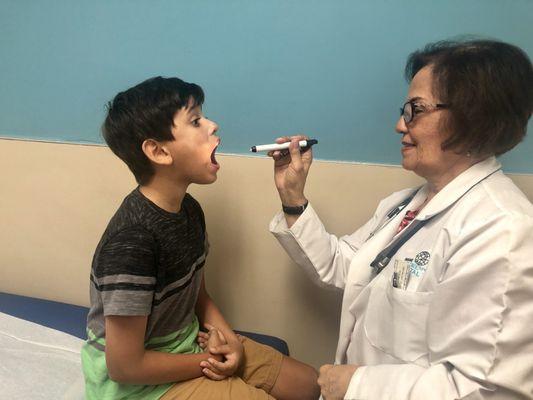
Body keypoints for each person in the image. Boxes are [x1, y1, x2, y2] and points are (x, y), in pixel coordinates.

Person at [268, 39, 533, 399]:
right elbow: (344, 268)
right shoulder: (406, 204)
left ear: (473, 117)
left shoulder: (502, 231)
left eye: (415, 110)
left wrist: (355, 384)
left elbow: (485, 390)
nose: (398, 125)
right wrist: (292, 196)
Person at [81, 76, 320, 400]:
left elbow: (199, 297)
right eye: (195, 121)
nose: (212, 125)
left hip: (187, 343)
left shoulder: (189, 211)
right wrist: (209, 361)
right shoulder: (132, 243)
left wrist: (229, 340)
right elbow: (124, 367)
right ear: (159, 151)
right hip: (138, 388)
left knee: (311, 385)